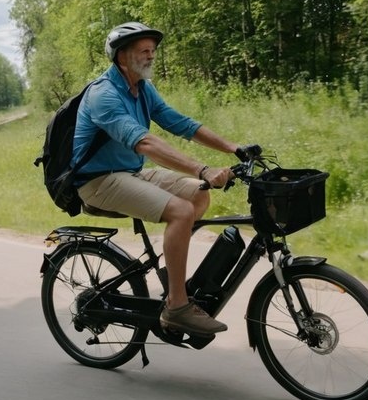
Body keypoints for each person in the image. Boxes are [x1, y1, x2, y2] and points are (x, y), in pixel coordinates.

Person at [72, 22, 252, 335]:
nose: (151, 56)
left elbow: (179, 123)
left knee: (198, 194)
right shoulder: (103, 95)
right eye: (144, 51)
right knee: (181, 210)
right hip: (97, 182)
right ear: (122, 57)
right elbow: (144, 143)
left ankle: (174, 257)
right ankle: (177, 307)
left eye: (153, 50)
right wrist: (202, 168)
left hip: (130, 172)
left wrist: (233, 148)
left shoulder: (142, 88)